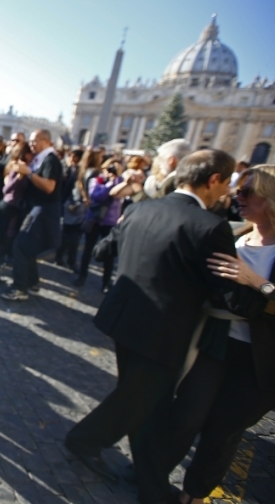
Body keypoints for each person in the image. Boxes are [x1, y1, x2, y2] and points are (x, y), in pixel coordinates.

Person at [64, 150, 240, 502]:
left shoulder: (141, 208)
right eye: (228, 183)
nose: (228, 193)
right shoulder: (211, 227)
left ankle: (150, 481)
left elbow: (102, 252)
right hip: (163, 332)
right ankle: (84, 441)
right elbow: (228, 291)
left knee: (146, 403)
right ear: (215, 180)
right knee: (136, 401)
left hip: (125, 320)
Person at [154, 165, 275, 504]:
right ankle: (152, 475)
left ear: (271, 199)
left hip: (261, 361)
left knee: (221, 433)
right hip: (216, 343)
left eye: (248, 191)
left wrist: (256, 282)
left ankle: (194, 494)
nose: (239, 195)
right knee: (186, 415)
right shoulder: (233, 233)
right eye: (238, 188)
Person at [0, 129, 63, 301]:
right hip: (38, 207)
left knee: (21, 244)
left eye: (35, 141)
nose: (32, 144)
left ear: (46, 141)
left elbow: (49, 186)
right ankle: (32, 282)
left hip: (44, 208)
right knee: (27, 246)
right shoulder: (43, 158)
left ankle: (20, 288)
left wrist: (29, 174)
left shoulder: (51, 160)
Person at [75, 158, 125, 292]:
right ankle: (82, 275)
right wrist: (110, 183)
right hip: (95, 219)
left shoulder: (121, 181)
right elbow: (97, 196)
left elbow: (122, 193)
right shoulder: (96, 180)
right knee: (88, 249)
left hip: (110, 221)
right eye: (110, 168)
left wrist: (118, 178)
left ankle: (106, 282)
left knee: (109, 253)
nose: (111, 172)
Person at [0, 142, 34, 283]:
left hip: (14, 209)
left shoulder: (24, 167)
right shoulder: (16, 166)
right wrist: (19, 176)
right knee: (2, 242)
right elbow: (7, 190)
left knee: (6, 243)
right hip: (7, 208)